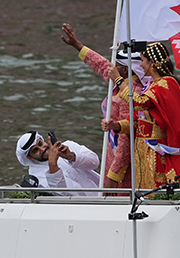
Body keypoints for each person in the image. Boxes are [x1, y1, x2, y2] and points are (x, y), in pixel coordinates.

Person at [104, 42, 180, 193]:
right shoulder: (152, 84)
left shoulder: (167, 84)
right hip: (145, 152)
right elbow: (139, 119)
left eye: (143, 60)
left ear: (152, 64)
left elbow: (139, 102)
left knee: (158, 192)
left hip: (159, 152)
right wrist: (116, 126)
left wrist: (118, 79)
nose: (141, 65)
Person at [61, 23, 144, 189]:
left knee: (120, 196)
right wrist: (78, 45)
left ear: (126, 70)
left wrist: (114, 176)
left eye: (116, 66)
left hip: (126, 160)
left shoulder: (130, 95)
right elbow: (101, 65)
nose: (111, 68)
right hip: (112, 151)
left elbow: (125, 141)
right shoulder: (120, 84)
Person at [15, 131, 100, 195]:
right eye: (35, 150)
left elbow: (95, 162)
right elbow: (60, 194)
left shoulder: (68, 145)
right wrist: (53, 165)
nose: (42, 149)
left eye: (40, 143)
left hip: (106, 192)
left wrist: (71, 157)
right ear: (29, 157)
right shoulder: (36, 177)